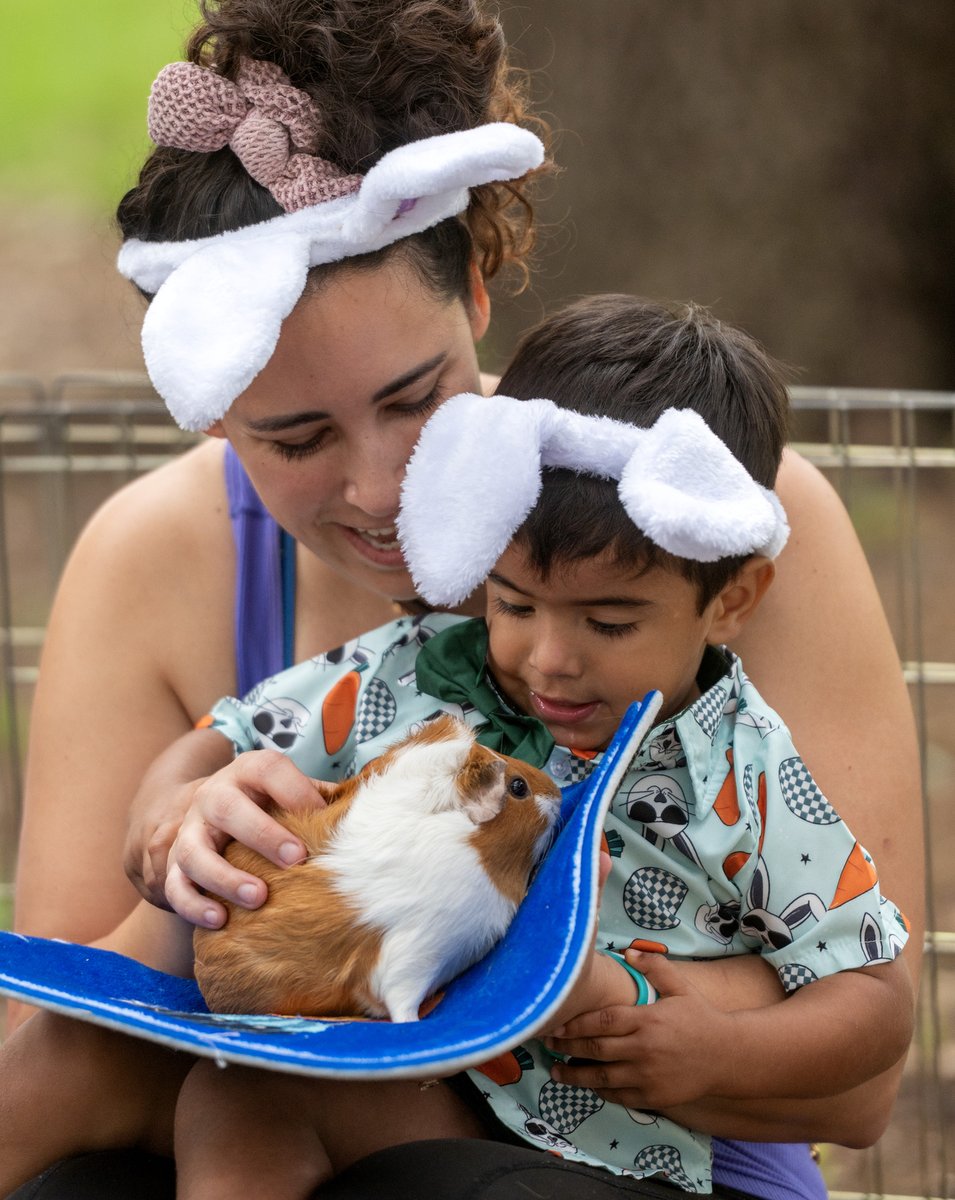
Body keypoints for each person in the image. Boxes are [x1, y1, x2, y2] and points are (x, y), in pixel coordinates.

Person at [7, 0, 922, 1195]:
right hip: (283, 1102)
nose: (383, 488)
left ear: (479, 290)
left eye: (413, 396)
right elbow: (97, 1017)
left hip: (612, 1150)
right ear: (216, 411)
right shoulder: (157, 561)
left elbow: (855, 1074)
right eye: (291, 438)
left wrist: (506, 964)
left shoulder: (710, 516)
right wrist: (179, 838)